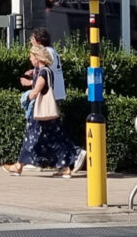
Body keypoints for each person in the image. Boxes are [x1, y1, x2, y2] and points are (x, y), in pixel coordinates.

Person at [5, 46, 76, 177]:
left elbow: (37, 90)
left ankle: (18, 166)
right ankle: (65, 167)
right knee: (53, 140)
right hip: (48, 115)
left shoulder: (43, 72)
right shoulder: (47, 71)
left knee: (31, 138)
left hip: (41, 114)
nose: (30, 59)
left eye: (31, 56)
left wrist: (26, 98)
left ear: (37, 57)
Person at [29, 28, 87, 172]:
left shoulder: (46, 53)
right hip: (55, 94)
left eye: (32, 40)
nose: (31, 43)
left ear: (38, 41)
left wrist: (33, 84)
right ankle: (37, 159)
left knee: (50, 130)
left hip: (49, 96)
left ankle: (75, 153)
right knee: (46, 130)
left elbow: (45, 74)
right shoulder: (52, 51)